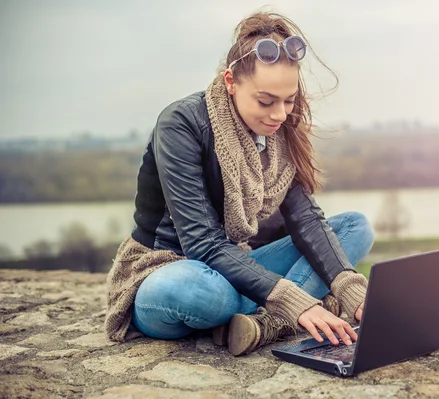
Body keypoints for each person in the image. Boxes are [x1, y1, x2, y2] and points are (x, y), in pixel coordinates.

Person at [104, 11, 374, 356]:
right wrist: (297, 299)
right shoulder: (181, 123)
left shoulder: (278, 135)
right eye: (266, 101)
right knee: (201, 292)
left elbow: (307, 220)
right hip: (170, 270)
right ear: (231, 82)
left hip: (237, 266)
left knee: (355, 227)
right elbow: (202, 242)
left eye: (289, 100)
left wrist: (350, 289)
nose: (279, 114)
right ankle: (290, 308)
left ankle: (267, 322)